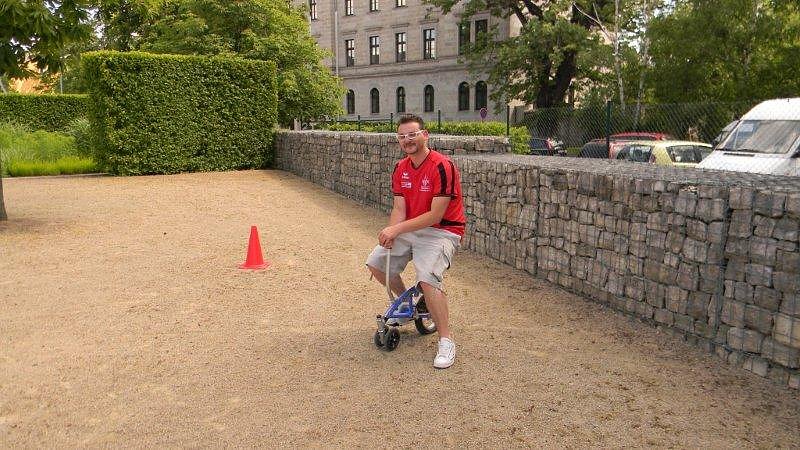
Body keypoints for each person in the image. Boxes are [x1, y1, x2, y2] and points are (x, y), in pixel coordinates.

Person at [365, 113, 466, 369]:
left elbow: (435, 215)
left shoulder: (443, 166)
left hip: (442, 231)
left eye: (412, 134)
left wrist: (397, 228)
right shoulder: (401, 167)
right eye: (402, 136)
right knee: (376, 261)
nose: (407, 140)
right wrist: (392, 230)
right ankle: (409, 305)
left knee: (427, 278)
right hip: (411, 228)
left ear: (425, 135)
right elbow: (400, 207)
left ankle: (446, 339)